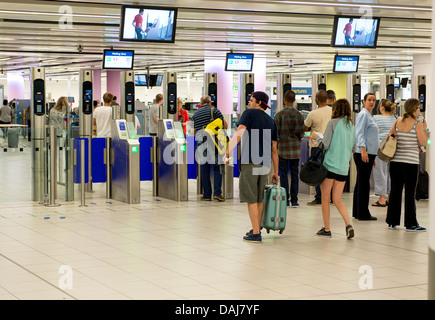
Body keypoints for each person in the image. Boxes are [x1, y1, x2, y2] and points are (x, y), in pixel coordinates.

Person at [224, 91, 278, 243]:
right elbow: (274, 149)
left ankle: (255, 233)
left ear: (259, 102)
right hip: (265, 163)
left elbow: (239, 133)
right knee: (259, 197)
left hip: (250, 161)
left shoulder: (249, 113)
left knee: (251, 198)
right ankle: (256, 229)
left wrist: (228, 152)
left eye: (252, 99)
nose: (249, 102)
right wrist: (276, 172)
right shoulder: (271, 121)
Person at [310, 99, 356, 239]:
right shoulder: (351, 126)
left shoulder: (332, 123)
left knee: (325, 199)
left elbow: (326, 145)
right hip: (343, 168)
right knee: (337, 199)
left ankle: (327, 229)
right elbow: (353, 148)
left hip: (329, 166)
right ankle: (348, 225)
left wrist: (316, 138)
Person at [386, 98, 427, 231]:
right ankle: (411, 223)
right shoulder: (418, 123)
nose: (419, 110)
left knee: (395, 191)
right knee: (410, 193)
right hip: (410, 163)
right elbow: (424, 143)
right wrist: (426, 133)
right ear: (414, 109)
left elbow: (391, 135)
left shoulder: (397, 121)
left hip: (395, 162)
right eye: (418, 108)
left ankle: (392, 221)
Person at [192, 95, 228, 202]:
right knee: (218, 167)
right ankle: (217, 193)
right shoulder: (215, 111)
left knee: (204, 169)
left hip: (201, 143)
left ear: (201, 103)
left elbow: (194, 132)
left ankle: (207, 195)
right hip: (215, 142)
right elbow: (224, 125)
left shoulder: (195, 114)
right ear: (210, 102)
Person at [274, 90, 305, 207]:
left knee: (283, 174)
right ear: (294, 100)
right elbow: (301, 134)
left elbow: (275, 134)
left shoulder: (279, 115)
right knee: (294, 174)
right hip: (295, 150)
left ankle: (285, 200)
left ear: (285, 100)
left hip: (282, 149)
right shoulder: (299, 115)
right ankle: (295, 200)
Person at [352, 93, 379, 220]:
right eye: (369, 100)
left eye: (373, 100)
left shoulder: (369, 115)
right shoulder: (363, 115)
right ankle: (363, 213)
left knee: (361, 182)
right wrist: (363, 150)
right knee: (364, 184)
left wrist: (372, 154)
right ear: (363, 101)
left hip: (369, 153)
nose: (371, 102)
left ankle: (358, 211)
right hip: (363, 152)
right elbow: (359, 133)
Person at [304, 90, 332, 206]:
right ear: (327, 99)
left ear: (316, 100)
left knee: (317, 172)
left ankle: (319, 197)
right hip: (330, 146)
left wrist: (310, 132)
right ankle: (329, 197)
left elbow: (305, 128)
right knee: (329, 172)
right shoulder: (333, 111)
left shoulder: (312, 114)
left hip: (316, 146)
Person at [372, 99, 397, 207]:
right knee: (391, 174)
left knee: (380, 173)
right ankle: (390, 197)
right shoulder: (395, 118)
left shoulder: (375, 118)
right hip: (392, 149)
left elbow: (372, 134)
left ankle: (382, 199)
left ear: (381, 107)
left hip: (380, 149)